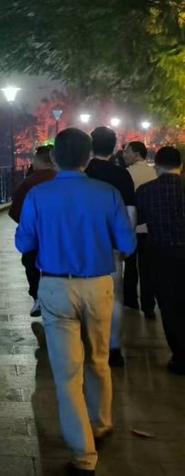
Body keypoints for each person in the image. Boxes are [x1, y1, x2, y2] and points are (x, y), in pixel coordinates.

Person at [16, 128, 136, 476]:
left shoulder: (38, 194)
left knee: (68, 373)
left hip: (55, 286)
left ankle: (83, 456)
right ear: (87, 158)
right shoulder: (107, 192)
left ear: (53, 159)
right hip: (98, 283)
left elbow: (24, 242)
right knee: (98, 359)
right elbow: (127, 244)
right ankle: (101, 422)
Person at [85, 126, 136, 367]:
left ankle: (89, 343)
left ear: (90, 146)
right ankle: (113, 346)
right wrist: (126, 244)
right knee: (114, 296)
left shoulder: (83, 173)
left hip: (85, 243)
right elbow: (130, 211)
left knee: (85, 295)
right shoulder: (121, 175)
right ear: (114, 146)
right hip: (112, 244)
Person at [136, 146, 185, 375]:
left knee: (168, 305)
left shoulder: (146, 191)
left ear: (157, 166)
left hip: (160, 255)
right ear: (180, 166)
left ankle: (180, 356)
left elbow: (139, 222)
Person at [9, 145, 56, 317]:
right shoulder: (61, 179)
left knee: (31, 263)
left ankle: (37, 297)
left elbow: (16, 211)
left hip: (34, 235)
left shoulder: (28, 183)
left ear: (39, 161)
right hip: (57, 235)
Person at [123, 140, 157, 317]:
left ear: (136, 153)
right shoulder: (153, 172)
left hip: (132, 224)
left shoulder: (127, 173)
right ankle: (148, 304)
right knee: (147, 267)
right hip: (150, 226)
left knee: (130, 265)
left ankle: (130, 300)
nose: (124, 155)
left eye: (126, 151)